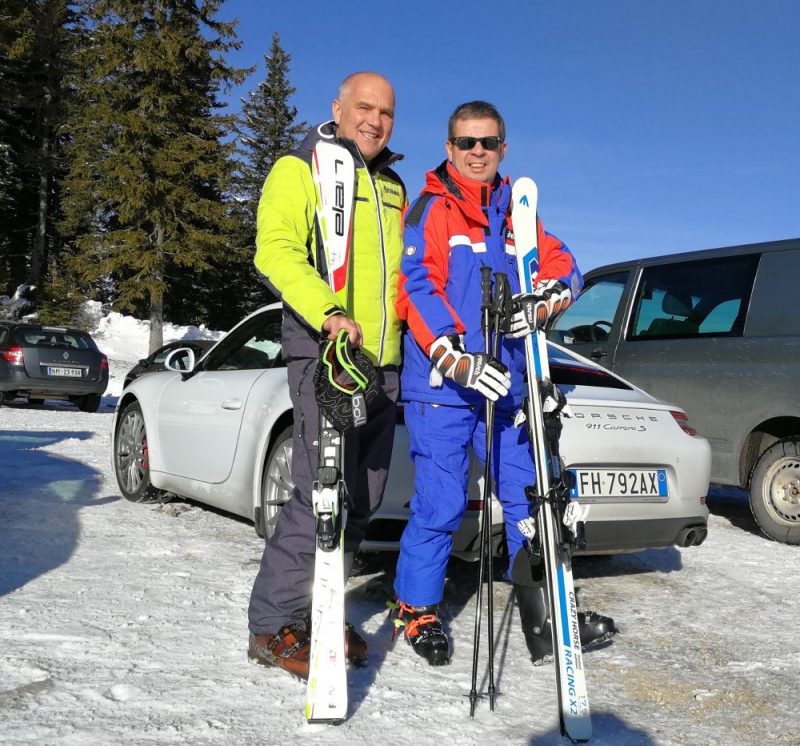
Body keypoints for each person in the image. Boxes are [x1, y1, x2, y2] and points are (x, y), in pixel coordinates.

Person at [392, 101, 616, 665]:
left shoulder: (518, 214)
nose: (476, 153)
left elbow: (566, 266)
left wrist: (547, 299)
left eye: (487, 143)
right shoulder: (430, 210)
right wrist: (454, 355)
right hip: (446, 385)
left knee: (530, 496)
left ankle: (547, 614)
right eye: (466, 143)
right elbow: (416, 287)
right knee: (441, 502)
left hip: (508, 384)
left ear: (503, 149)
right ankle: (416, 612)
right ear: (448, 148)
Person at [247, 72, 405, 679]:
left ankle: (319, 604)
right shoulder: (301, 167)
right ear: (337, 108)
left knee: (362, 497)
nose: (374, 120)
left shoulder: (391, 184)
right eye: (364, 107)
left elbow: (397, 280)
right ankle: (272, 623)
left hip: (385, 366)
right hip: (329, 357)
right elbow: (275, 249)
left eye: (386, 112)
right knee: (322, 496)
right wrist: (329, 311)